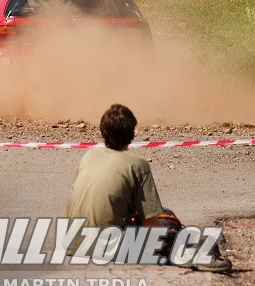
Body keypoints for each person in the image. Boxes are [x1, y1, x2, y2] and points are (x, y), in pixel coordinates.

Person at [65, 103, 232, 272]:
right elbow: (151, 225)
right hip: (109, 247)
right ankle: (199, 255)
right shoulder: (138, 165)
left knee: (162, 215)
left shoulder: (88, 156)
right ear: (132, 135)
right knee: (170, 224)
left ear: (103, 132)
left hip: (75, 243)